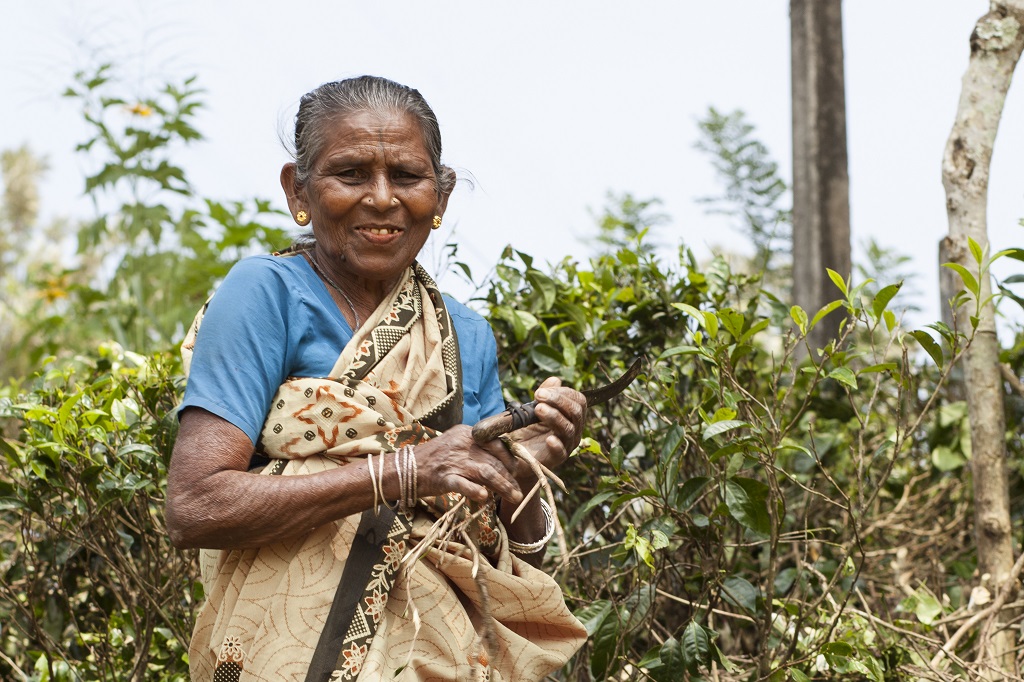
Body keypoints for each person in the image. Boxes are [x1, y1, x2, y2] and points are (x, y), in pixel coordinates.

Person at [166, 75, 588, 682]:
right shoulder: (267, 294)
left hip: (432, 658)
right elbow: (196, 505)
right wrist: (408, 470)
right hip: (275, 656)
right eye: (352, 174)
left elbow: (504, 552)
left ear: (440, 197)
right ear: (298, 189)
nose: (383, 198)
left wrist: (526, 470)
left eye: (408, 177)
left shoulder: (464, 336)